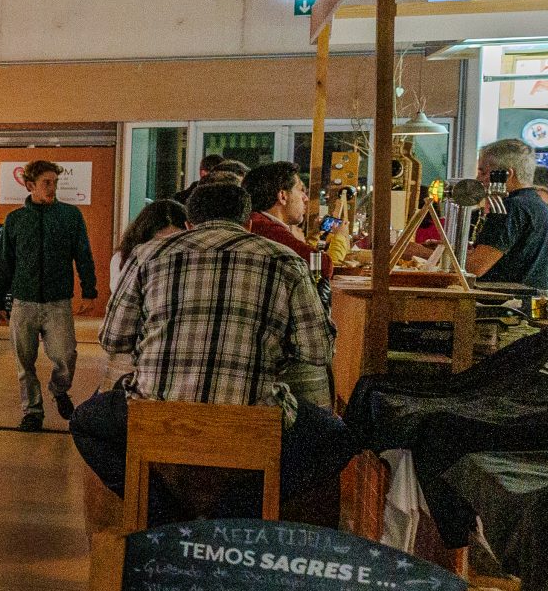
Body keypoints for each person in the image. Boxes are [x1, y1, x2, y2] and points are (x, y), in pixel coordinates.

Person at [71, 178, 353, 502]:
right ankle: (240, 509)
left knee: (84, 422)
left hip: (156, 414)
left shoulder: (147, 255)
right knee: (336, 438)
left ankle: (160, 508)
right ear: (248, 223)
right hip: (250, 422)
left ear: (189, 224)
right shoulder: (285, 260)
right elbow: (318, 351)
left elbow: (113, 339)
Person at [0, 159, 98, 432]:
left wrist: (89, 291)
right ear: (30, 186)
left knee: (66, 355)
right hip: (23, 301)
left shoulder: (70, 216)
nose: (52, 188)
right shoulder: (15, 220)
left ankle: (59, 389)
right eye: (46, 183)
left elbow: (83, 255)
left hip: (58, 302)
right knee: (23, 362)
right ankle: (32, 411)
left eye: (55, 183)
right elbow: (4, 263)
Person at [468, 137, 548, 297]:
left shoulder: (510, 207)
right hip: (538, 305)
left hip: (510, 310)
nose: (478, 178)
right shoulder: (540, 206)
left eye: (483, 172)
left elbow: (476, 267)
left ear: (506, 174)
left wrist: (425, 255)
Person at [242, 161, 313, 261]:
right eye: (301, 190)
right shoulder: (268, 228)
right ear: (283, 196)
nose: (306, 198)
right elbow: (323, 265)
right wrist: (341, 235)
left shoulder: (253, 219)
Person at [111, 197, 187, 287]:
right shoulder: (122, 258)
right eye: (158, 242)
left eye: (175, 240)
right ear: (143, 237)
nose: (168, 247)